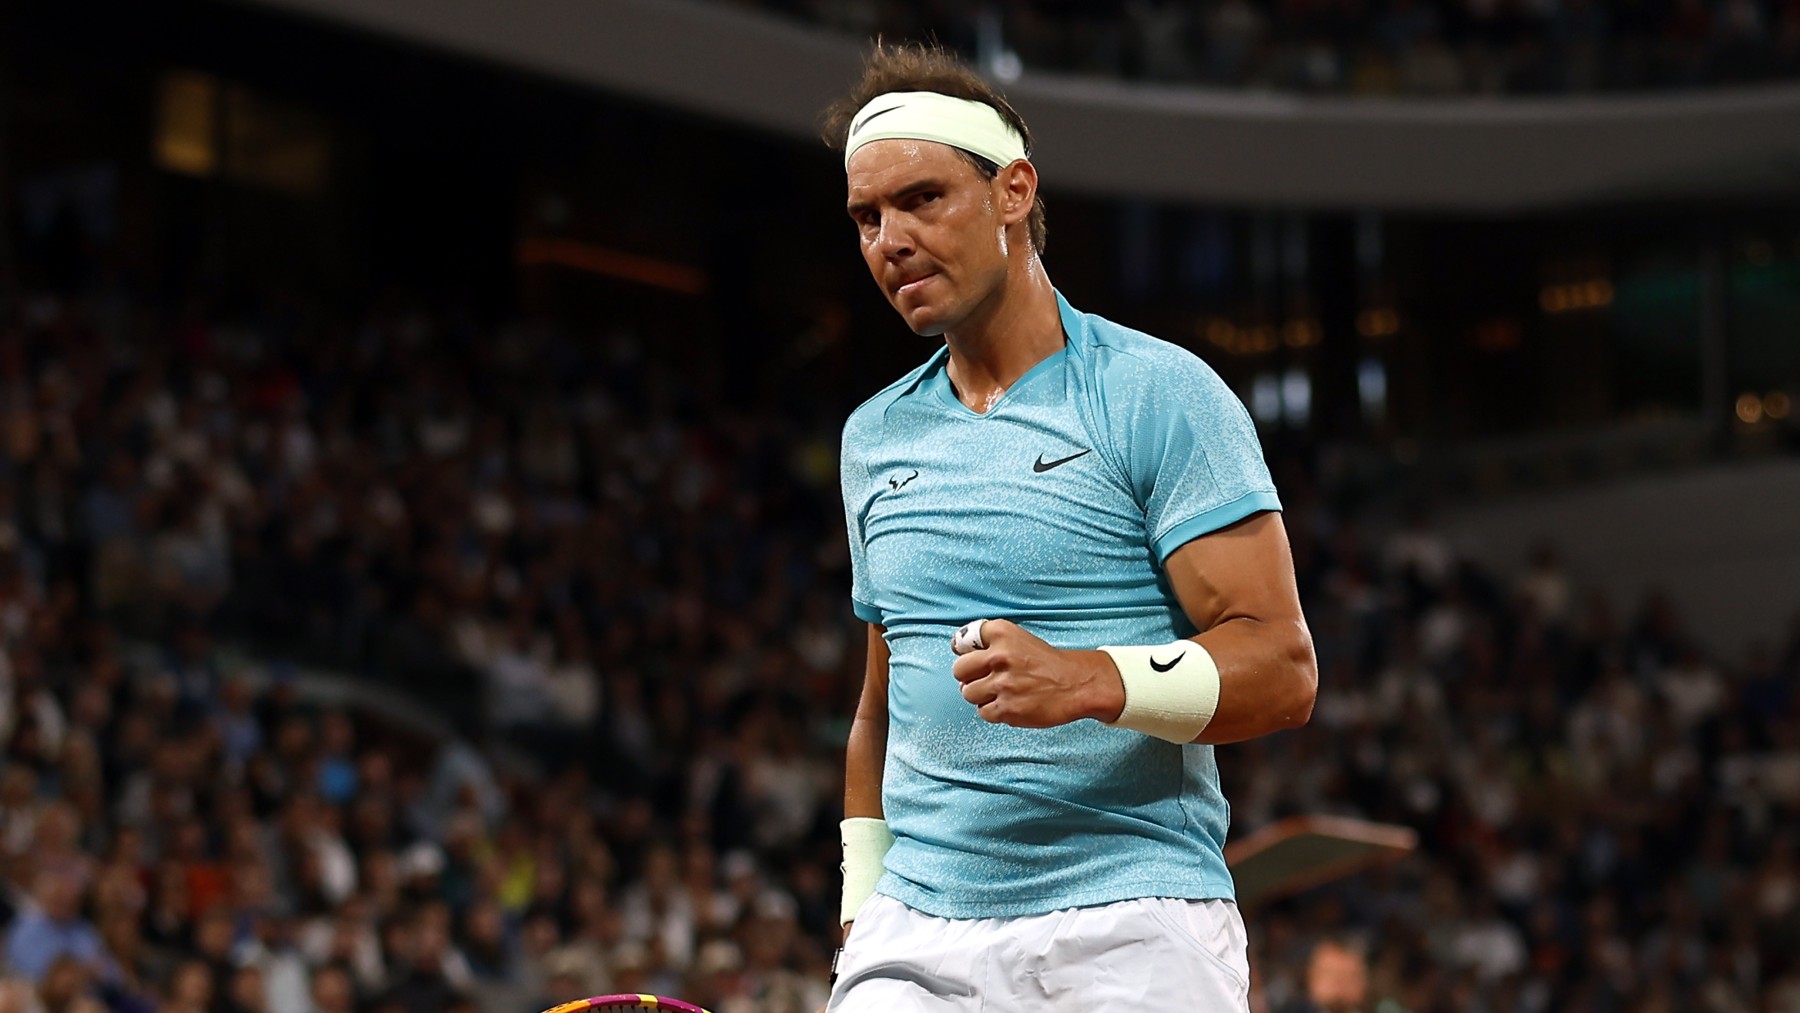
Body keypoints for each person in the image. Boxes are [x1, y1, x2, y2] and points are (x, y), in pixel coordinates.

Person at [822, 42, 1318, 1012]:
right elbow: (883, 703)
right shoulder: (871, 437)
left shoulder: (1159, 393)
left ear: (1013, 192)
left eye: (922, 198)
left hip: (1133, 913)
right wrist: (859, 897)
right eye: (867, 216)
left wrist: (1089, 678)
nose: (890, 238)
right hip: (915, 926)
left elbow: (1283, 667)